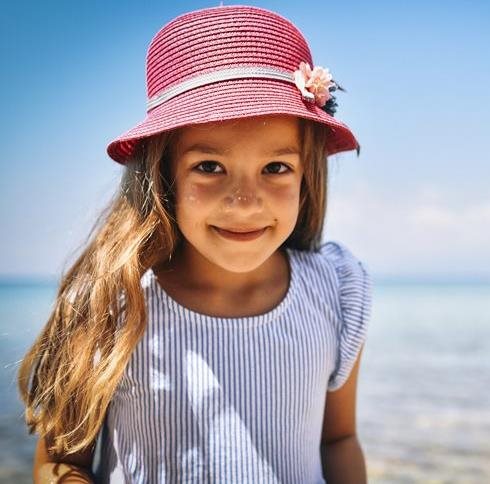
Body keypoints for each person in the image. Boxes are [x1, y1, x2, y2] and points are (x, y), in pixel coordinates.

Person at [19, 4, 373, 483]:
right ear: (162, 174)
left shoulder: (336, 292)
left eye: (276, 168)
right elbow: (63, 460)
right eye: (209, 167)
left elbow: (338, 440)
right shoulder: (110, 302)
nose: (245, 202)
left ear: (307, 174)